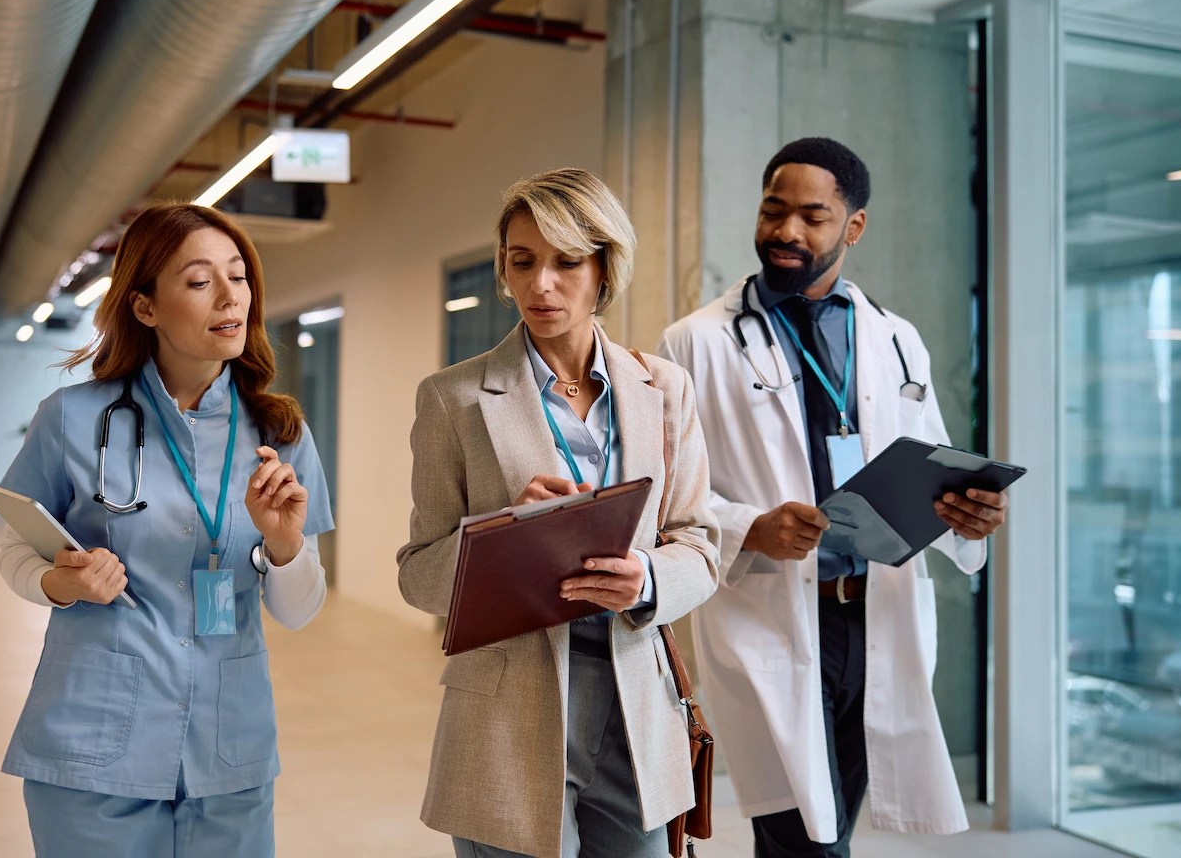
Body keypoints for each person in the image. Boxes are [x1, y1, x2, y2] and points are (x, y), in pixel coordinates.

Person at [657, 137, 1009, 857]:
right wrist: (750, 527)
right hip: (772, 616)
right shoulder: (695, 343)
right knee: (803, 840)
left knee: (830, 830)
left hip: (876, 616)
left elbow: (933, 464)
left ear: (854, 227)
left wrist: (968, 516)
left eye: (812, 217)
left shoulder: (896, 338)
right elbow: (668, 494)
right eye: (773, 210)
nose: (786, 230)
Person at [398, 168, 721, 858]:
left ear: (605, 268)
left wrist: (648, 579)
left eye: (567, 261)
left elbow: (700, 542)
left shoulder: (664, 389)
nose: (541, 284)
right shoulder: (453, 399)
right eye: (523, 262)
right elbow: (418, 575)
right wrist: (500, 533)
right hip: (505, 712)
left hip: (636, 706)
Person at [0, 203, 333, 858]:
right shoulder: (72, 418)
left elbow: (298, 610)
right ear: (145, 306)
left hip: (228, 751)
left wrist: (284, 545)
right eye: (201, 281)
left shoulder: (279, 433)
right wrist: (61, 582)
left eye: (239, 276)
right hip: (93, 748)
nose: (231, 297)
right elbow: (16, 549)